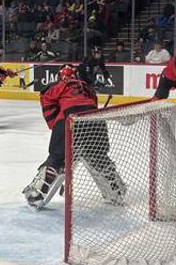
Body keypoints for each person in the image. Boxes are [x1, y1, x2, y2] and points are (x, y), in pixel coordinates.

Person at [22, 64, 124, 210]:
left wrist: (55, 126)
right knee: (98, 157)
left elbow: (47, 103)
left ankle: (37, 194)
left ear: (60, 76)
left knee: (57, 158)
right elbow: (92, 104)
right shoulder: (87, 87)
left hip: (70, 121)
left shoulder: (56, 86)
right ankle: (116, 192)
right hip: (95, 121)